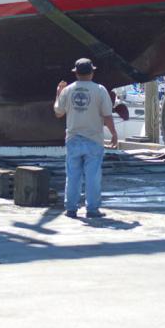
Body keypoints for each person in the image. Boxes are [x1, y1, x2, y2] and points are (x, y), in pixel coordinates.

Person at [54, 58, 118, 219]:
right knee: (93, 176)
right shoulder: (100, 90)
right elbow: (107, 116)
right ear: (92, 72)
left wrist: (58, 94)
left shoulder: (67, 90)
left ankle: (71, 208)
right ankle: (92, 209)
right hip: (94, 139)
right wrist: (114, 134)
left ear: (75, 73)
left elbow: (58, 113)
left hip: (73, 138)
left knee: (73, 175)